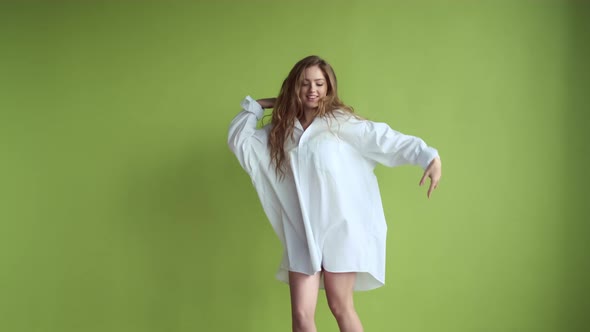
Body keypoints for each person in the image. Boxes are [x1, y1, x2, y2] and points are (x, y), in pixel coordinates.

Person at [228, 55, 442, 332]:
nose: (312, 90)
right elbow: (239, 140)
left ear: (329, 87)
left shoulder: (339, 123)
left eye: (319, 83)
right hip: (302, 231)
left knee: (340, 306)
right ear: (294, 87)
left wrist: (428, 157)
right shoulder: (281, 132)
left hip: (341, 228)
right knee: (301, 317)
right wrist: (259, 106)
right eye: (304, 84)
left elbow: (384, 138)